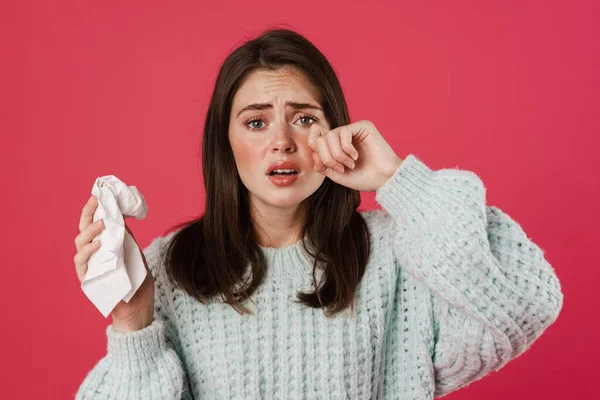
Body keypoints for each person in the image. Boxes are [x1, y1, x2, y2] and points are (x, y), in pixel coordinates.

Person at [73, 28, 563, 399]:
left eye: (304, 118)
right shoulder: (171, 268)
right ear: (226, 144)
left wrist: (398, 180)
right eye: (256, 121)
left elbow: (529, 302)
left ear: (336, 130)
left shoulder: (397, 254)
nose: (282, 141)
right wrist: (132, 323)